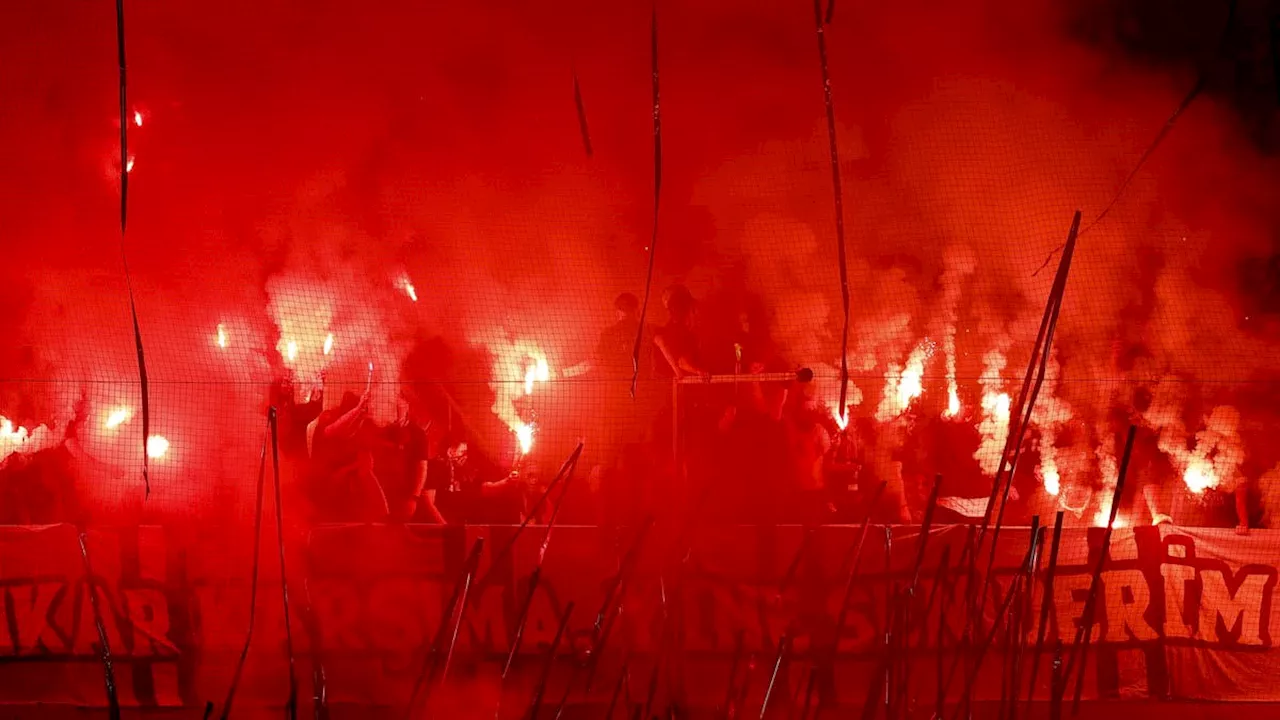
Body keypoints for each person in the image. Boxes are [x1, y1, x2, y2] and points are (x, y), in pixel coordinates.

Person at [310, 389, 388, 522]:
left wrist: (361, 414)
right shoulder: (325, 422)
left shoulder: (356, 434)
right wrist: (358, 410)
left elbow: (350, 431)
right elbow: (337, 429)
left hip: (350, 498)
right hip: (325, 489)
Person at [375, 396, 445, 523]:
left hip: (418, 483)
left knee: (428, 508)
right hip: (397, 485)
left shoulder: (417, 434)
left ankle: (453, 537)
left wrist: (414, 497)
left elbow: (422, 467)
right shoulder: (387, 429)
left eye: (399, 408)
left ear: (406, 409)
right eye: (393, 408)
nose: (395, 412)